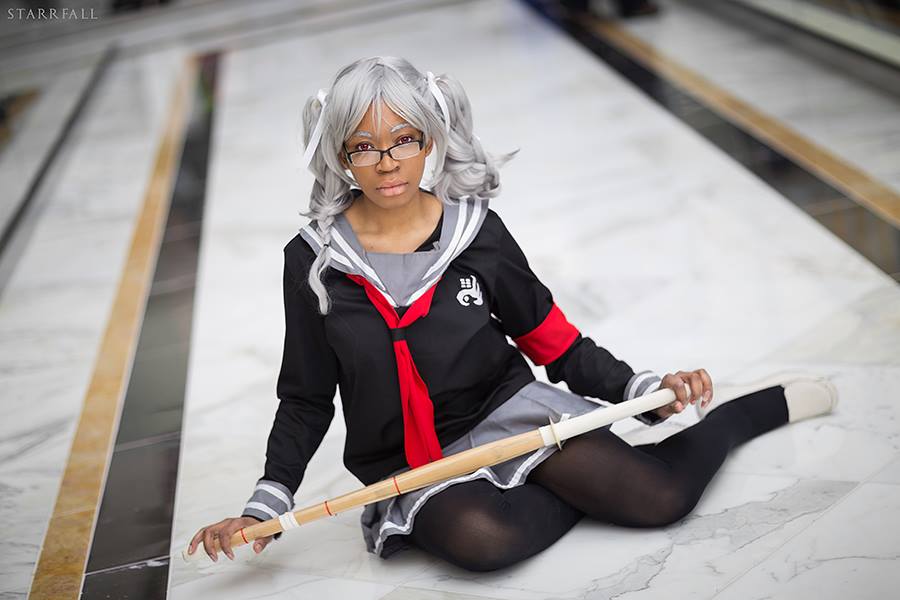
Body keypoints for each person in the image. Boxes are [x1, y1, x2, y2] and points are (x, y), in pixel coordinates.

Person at [187, 56, 838, 571]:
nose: (387, 164)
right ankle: (580, 484)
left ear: (431, 138)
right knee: (484, 541)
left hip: (513, 416)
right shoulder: (313, 260)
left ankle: (747, 412)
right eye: (363, 147)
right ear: (338, 154)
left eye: (404, 140)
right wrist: (266, 503)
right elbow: (306, 396)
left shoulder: (477, 233)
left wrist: (639, 390)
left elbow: (552, 340)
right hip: (412, 459)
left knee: (659, 499)